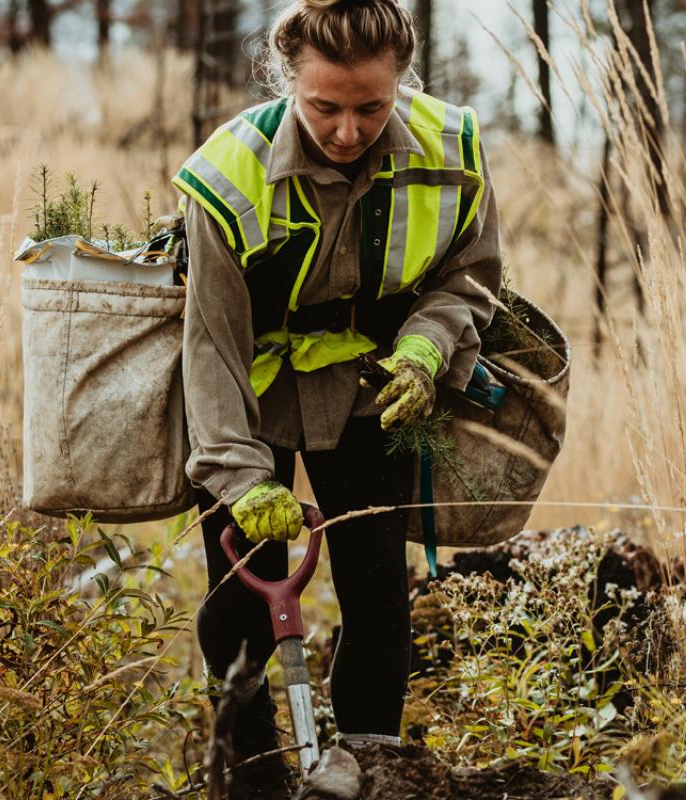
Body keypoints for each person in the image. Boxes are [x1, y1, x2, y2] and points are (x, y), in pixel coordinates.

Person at [171, 0, 501, 794]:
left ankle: (372, 770)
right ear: (286, 79)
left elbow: (471, 276)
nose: (348, 131)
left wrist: (427, 347)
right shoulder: (228, 174)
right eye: (324, 107)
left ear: (402, 81)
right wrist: (241, 479)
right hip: (248, 397)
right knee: (240, 604)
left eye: (371, 108)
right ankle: (249, 773)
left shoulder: (451, 150)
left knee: (379, 596)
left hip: (368, 389)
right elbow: (211, 344)